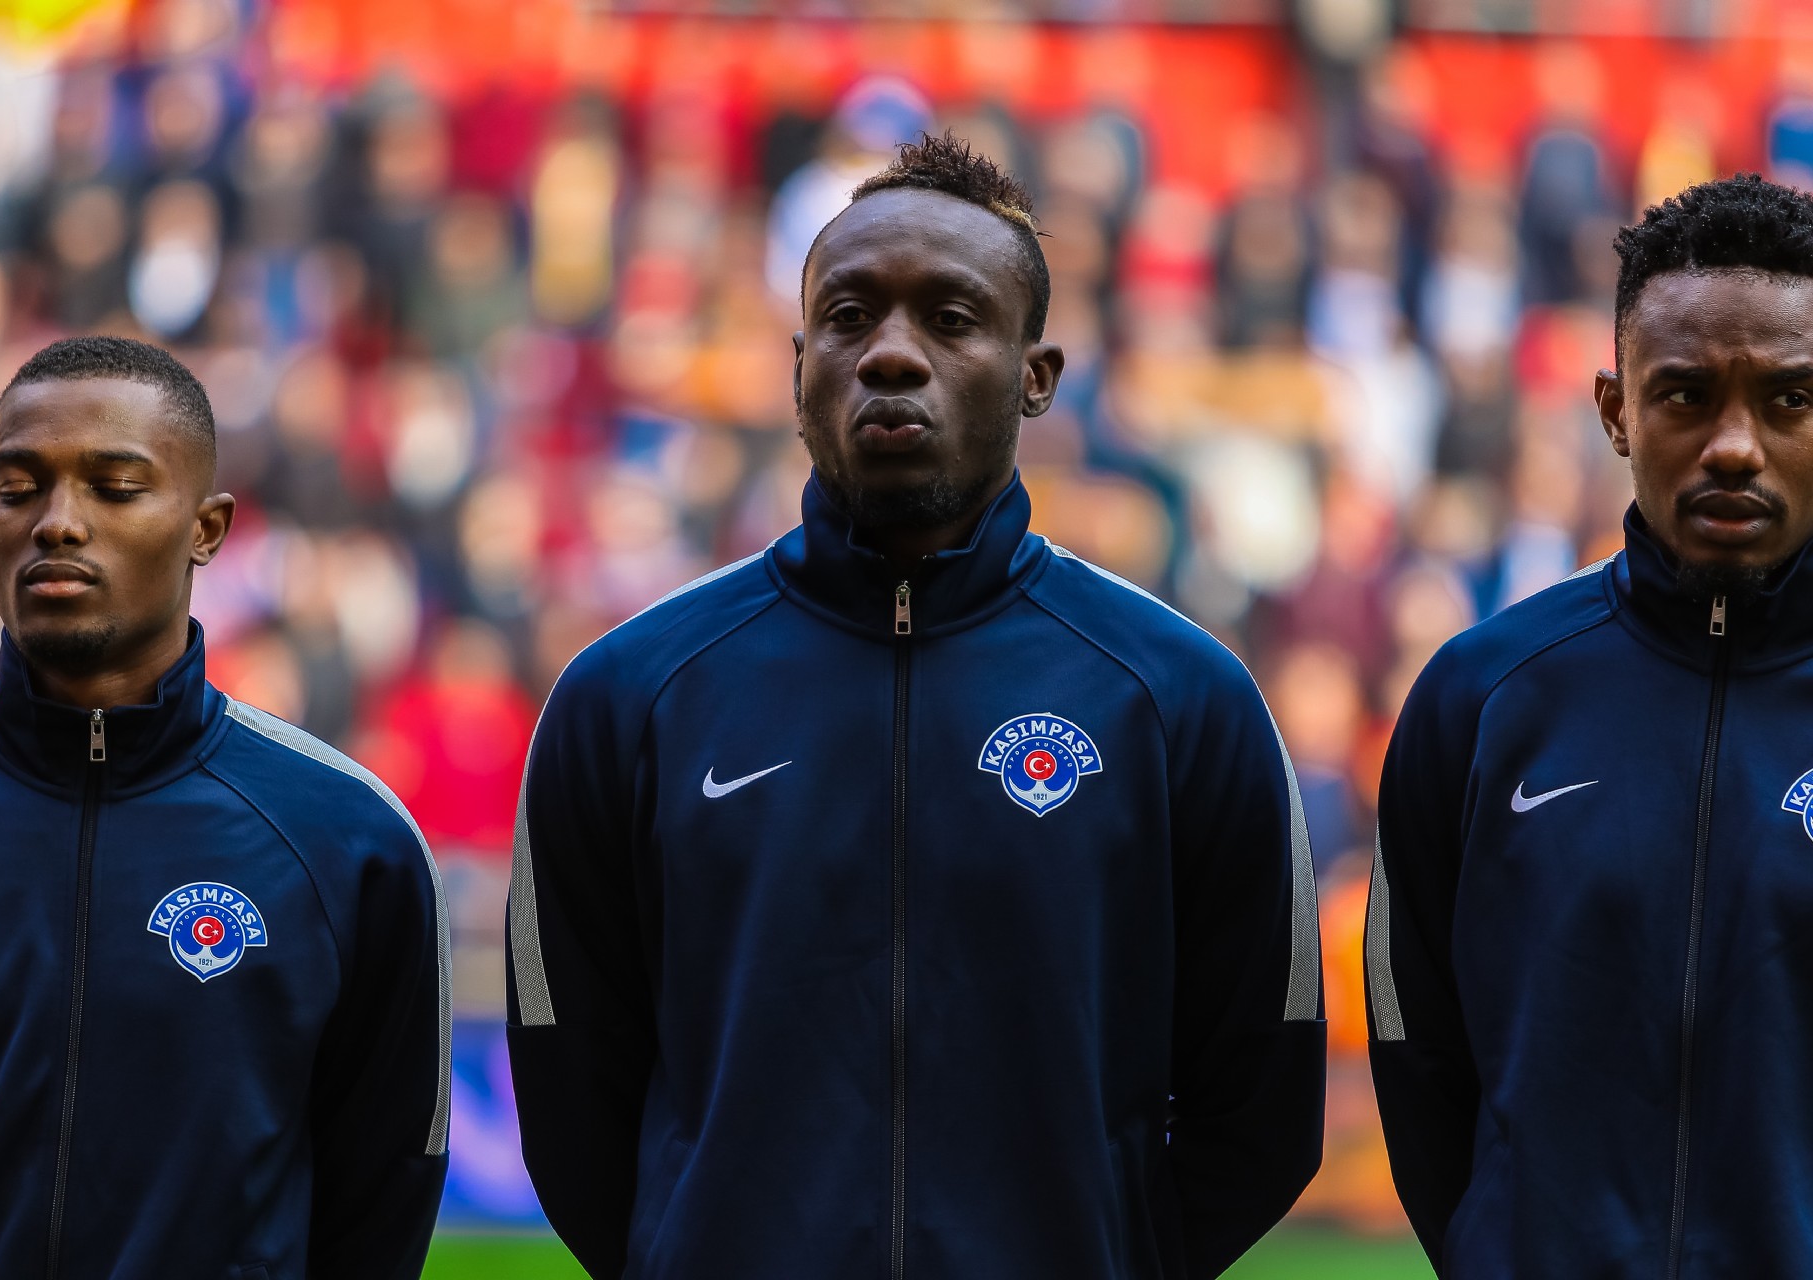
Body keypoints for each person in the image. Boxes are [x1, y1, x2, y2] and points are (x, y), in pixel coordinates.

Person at [508, 133, 1325, 1280]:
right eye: (849, 318)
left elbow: (1263, 1101)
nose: (891, 353)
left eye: (950, 317)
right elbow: (572, 1101)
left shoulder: (1180, 696)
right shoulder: (628, 696)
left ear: (1037, 374)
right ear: (800, 365)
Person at [0, 337, 449, 1279]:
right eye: (19, 489)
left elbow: (380, 1199)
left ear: (208, 528)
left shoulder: (347, 838)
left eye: (114, 487)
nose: (57, 523)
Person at [1369, 173, 1813, 1277]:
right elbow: (1417, 1054)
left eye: (1790, 400)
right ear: (1616, 410)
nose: (1735, 445)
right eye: (1685, 395)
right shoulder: (1480, 697)